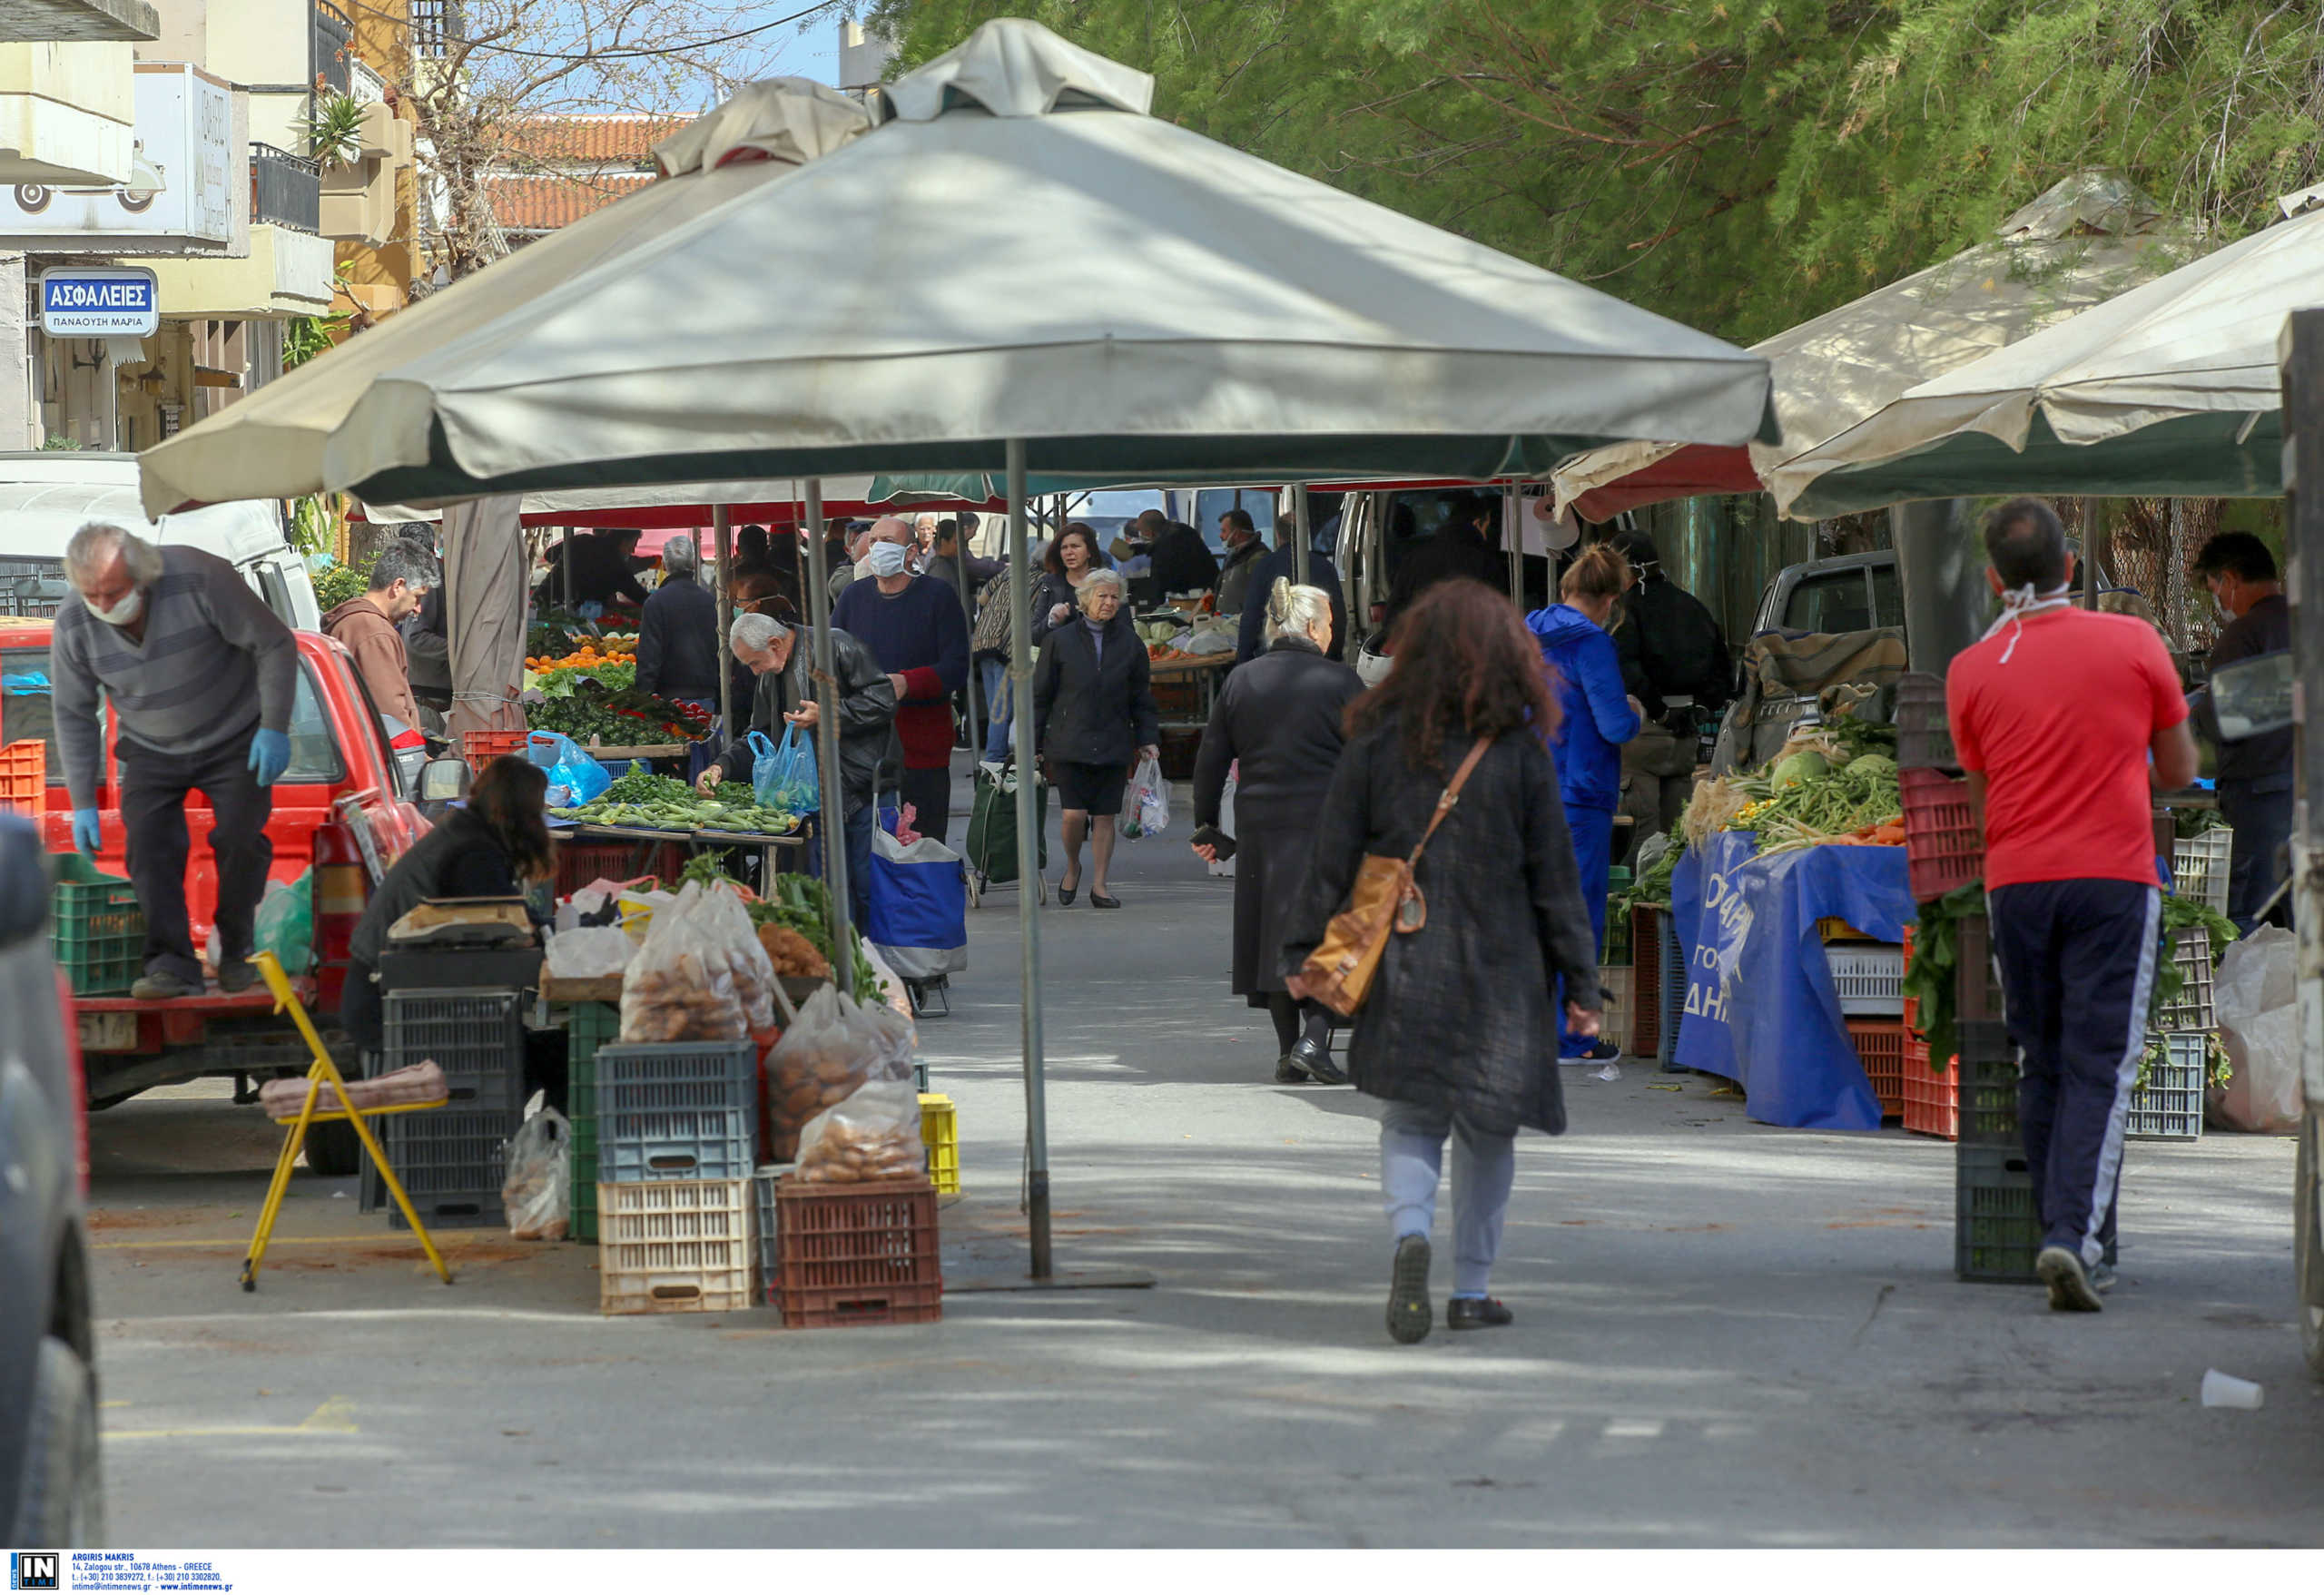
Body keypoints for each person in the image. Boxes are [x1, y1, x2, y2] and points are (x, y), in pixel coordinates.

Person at [1283, 577, 1600, 1343]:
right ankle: (1472, 1288)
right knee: (1490, 1132)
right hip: (1504, 974)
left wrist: (1303, 954)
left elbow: (1331, 855)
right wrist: (1582, 985)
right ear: (1506, 658)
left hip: (1406, 961)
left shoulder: (1376, 741)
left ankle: (1410, 1236)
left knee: (1412, 1119)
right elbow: (1555, 878)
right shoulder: (1520, 752)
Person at [1946, 497, 2200, 1314]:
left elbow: (1985, 803)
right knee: (2101, 1065)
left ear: (1993, 579)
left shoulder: (1970, 670)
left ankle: (2065, 1231)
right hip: (2115, 880)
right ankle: (2075, 1236)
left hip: (2016, 881)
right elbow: (2177, 771)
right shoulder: (2133, 642)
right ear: (2071, 568)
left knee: (2041, 1059)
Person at [50, 520, 299, 1000]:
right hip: (150, 745)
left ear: (143, 575)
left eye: (114, 592)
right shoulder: (74, 623)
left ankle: (236, 946)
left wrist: (273, 727)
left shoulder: (202, 578)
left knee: (239, 839)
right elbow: (73, 713)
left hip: (235, 732)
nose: (103, 605)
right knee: (148, 847)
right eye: (91, 594)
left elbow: (275, 644)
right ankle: (171, 964)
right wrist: (83, 800)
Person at [1192, 579, 1364, 1084]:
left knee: (1273, 934)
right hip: (1329, 826)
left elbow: (1211, 759)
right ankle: (1314, 1038)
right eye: (1330, 622)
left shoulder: (1241, 681)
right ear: (1311, 626)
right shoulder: (1341, 683)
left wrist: (1205, 822)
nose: (1332, 632)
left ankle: (1291, 1051)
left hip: (1261, 827)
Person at [697, 612, 898, 929]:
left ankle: (878, 968)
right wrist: (721, 766)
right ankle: (843, 967)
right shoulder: (770, 676)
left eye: (754, 663)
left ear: (775, 643)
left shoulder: (836, 645)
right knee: (830, 893)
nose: (754, 671)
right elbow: (758, 735)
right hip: (815, 801)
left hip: (862, 790)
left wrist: (832, 713)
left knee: (869, 888)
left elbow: (884, 699)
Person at [342, 755, 555, 1054]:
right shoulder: (473, 851)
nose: (542, 815)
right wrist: (565, 931)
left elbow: (510, 911)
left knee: (529, 1048)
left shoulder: (466, 831)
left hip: (389, 991)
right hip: (385, 1009)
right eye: (538, 809)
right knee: (537, 1054)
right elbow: (513, 917)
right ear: (521, 811)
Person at [1527, 544, 1643, 1062]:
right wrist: (1636, 711)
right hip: (1579, 796)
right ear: (1611, 600)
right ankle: (1574, 1037)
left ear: (1563, 589)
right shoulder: (1592, 644)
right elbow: (1615, 724)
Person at [832, 516, 971, 844]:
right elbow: (830, 660)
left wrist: (908, 683)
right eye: (874, 540)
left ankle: (925, 895)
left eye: (888, 542)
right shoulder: (853, 598)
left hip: (921, 748)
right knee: (871, 847)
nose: (879, 548)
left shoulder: (938, 597)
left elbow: (956, 667)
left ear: (910, 552)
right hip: (864, 750)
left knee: (923, 841)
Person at [1032, 569, 1159, 908]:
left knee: (1105, 817)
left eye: (1114, 596)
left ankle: (1100, 885)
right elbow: (1040, 697)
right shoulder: (1059, 640)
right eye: (1102, 596)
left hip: (1114, 740)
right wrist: (1032, 745)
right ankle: (1073, 866)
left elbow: (1141, 698)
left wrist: (1147, 739)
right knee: (1073, 815)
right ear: (1085, 599)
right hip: (1069, 740)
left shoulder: (1131, 644)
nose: (1108, 602)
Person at [2191, 531, 2291, 932]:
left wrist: (2195, 712)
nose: (2218, 600)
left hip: (2262, 797)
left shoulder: (2244, 634)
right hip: (2306, 791)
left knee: (2249, 918)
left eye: (2215, 588)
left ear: (2230, 579)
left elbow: (2226, 720)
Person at [1609, 527, 1729, 849]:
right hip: (1685, 736)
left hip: (1643, 734)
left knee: (1641, 837)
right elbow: (1723, 669)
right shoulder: (1693, 606)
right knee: (1677, 836)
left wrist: (1660, 711)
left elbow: (1625, 668)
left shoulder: (1624, 612)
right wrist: (1701, 707)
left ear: (1626, 570)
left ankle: (1637, 898)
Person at [635, 534, 724, 775]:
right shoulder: (711, 602)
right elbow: (723, 654)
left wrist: (642, 701)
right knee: (702, 763)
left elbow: (649, 658)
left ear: (664, 565)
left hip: (668, 701)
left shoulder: (656, 604)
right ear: (694, 564)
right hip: (706, 699)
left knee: (667, 767)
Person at [322, 544, 436, 734]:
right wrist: (415, 757)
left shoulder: (360, 623)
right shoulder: (373, 631)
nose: (418, 609)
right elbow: (390, 715)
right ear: (398, 586)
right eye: (417, 598)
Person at [1234, 517, 1347, 665]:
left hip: (1273, 660)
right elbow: (1338, 616)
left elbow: (1251, 617)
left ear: (1278, 535)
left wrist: (1243, 660)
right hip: (1321, 657)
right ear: (1305, 532)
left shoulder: (1265, 566)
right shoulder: (1325, 566)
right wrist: (1335, 656)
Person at [1383, 491, 1504, 628]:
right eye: (1488, 525)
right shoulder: (1484, 563)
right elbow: (1498, 618)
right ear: (1477, 524)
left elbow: (1392, 619)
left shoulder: (1413, 560)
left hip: (1421, 644)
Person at [1030, 522, 1108, 645]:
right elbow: (1034, 637)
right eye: (1064, 548)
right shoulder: (1051, 583)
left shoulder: (1107, 583)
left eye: (1075, 546)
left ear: (1089, 551)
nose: (1069, 552)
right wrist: (1052, 620)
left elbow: (1125, 631)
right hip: (1062, 659)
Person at [547, 527, 651, 611]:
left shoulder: (581, 539)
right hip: (581, 612)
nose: (632, 551)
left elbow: (548, 555)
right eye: (632, 545)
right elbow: (639, 595)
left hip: (548, 601)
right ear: (623, 541)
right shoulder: (616, 564)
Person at [1138, 507, 1220, 599]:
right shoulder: (1186, 529)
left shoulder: (1162, 546)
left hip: (1191, 599)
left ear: (1150, 532)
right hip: (1212, 589)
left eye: (1142, 532)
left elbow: (1159, 580)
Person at [923, 518, 1002, 597]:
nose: (961, 546)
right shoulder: (939, 569)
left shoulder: (954, 560)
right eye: (956, 542)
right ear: (944, 542)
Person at [1213, 508, 1266, 614]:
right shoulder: (1232, 555)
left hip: (1239, 625)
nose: (1220, 536)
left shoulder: (1258, 556)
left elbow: (1259, 593)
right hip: (1223, 622)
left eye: (1224, 531)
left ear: (1236, 533)